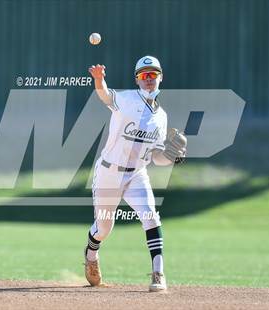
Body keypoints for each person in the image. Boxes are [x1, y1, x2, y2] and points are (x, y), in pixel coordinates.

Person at [84, 56, 186, 292]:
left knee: (150, 216)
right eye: (144, 75)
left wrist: (171, 157)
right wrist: (99, 80)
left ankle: (158, 274)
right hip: (109, 172)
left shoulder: (162, 117)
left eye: (153, 74)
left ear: (161, 77)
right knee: (104, 228)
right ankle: (91, 255)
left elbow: (156, 157)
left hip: (136, 174)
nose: (149, 79)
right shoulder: (127, 98)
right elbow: (105, 96)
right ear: (137, 80)